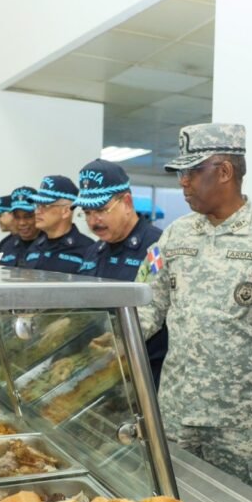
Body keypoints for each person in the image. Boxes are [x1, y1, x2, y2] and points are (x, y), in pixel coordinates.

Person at [136, 124, 252, 498]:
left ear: (224, 171)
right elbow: (145, 309)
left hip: (242, 427)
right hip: (175, 418)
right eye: (180, 174)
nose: (183, 183)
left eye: (192, 172)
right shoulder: (174, 235)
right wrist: (106, 349)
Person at [75, 159, 168, 386]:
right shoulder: (94, 251)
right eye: (86, 212)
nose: (92, 221)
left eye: (100, 210)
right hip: (102, 371)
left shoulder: (157, 247)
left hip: (144, 376)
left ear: (126, 202)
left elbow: (154, 313)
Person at [25, 175, 93, 274]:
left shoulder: (87, 250)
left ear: (66, 211)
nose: (37, 212)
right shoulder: (35, 247)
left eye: (45, 206)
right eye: (37, 205)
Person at [0, 187, 40, 266]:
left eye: (28, 216)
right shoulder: (7, 246)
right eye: (17, 217)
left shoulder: (50, 246)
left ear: (38, 214)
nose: (22, 223)